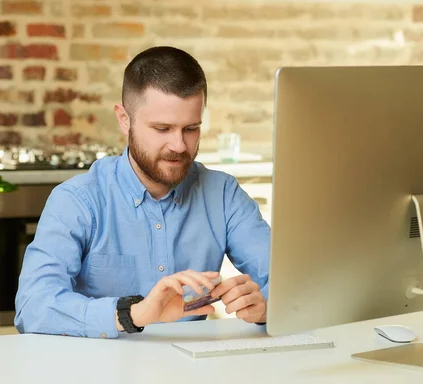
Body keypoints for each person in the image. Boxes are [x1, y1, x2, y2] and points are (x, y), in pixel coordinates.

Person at [14, 46, 271, 339]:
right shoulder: (77, 200)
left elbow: (294, 284)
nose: (179, 145)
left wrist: (265, 307)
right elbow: (33, 306)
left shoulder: (223, 195)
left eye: (191, 128)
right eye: (162, 128)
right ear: (124, 119)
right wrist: (134, 313)